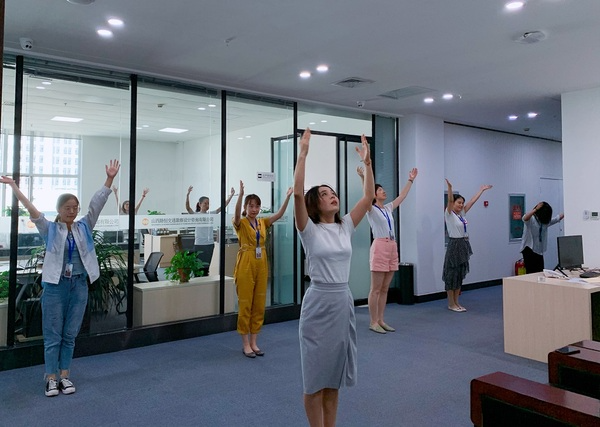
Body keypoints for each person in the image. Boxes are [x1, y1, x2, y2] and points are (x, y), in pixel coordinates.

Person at [1, 159, 120, 397]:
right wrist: (14, 187)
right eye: (67, 207)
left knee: (70, 334)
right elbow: (31, 209)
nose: (72, 211)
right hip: (56, 287)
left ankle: (65, 375)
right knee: (53, 334)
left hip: (79, 285)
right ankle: (50, 377)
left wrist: (109, 179)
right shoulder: (50, 229)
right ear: (59, 209)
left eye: (75, 207)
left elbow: (97, 204)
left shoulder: (84, 226)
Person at [294, 128, 374, 427]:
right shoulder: (308, 230)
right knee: (315, 379)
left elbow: (368, 197)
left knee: (333, 379)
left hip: (342, 302)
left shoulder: (345, 226)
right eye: (325, 195)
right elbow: (298, 194)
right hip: (318, 304)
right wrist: (303, 154)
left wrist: (367, 164)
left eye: (333, 193)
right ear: (315, 204)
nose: (332, 196)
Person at [232, 180, 292, 358]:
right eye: (251, 206)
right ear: (246, 207)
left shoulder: (262, 222)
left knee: (259, 303)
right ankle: (245, 344)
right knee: (245, 303)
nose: (254, 209)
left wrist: (287, 197)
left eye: (257, 206)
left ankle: (254, 342)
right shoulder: (241, 223)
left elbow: (279, 214)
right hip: (246, 262)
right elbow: (236, 214)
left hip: (261, 262)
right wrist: (240, 195)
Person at [357, 166, 418, 334]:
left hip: (392, 246)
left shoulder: (388, 208)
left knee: (385, 288)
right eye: (380, 190)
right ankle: (373, 321)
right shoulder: (371, 209)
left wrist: (410, 180)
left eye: (383, 189)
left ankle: (381, 320)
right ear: (374, 194)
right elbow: (367, 194)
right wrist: (363, 178)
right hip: (380, 246)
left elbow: (402, 196)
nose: (384, 191)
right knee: (376, 288)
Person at [443, 179, 492, 312]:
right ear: (453, 203)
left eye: (462, 203)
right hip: (454, 244)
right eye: (458, 202)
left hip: (463, 244)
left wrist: (481, 190)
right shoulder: (449, 214)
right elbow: (449, 201)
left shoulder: (461, 214)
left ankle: (457, 302)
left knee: (459, 274)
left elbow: (472, 201)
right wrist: (450, 188)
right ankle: (451, 303)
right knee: (451, 274)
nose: (461, 205)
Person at [185, 185, 235, 276]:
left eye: (208, 203)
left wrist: (231, 195)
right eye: (205, 203)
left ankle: (205, 281)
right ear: (200, 204)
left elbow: (222, 206)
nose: (207, 205)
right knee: (198, 268)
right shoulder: (196, 215)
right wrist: (188, 194)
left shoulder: (211, 214)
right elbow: (188, 208)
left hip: (209, 244)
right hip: (199, 244)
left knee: (206, 268)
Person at [520, 201, 564, 273]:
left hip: (538, 250)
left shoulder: (544, 222)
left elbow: (557, 218)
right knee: (531, 272)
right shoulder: (531, 219)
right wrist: (535, 209)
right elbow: (524, 218)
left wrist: (567, 211)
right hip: (529, 249)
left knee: (540, 271)